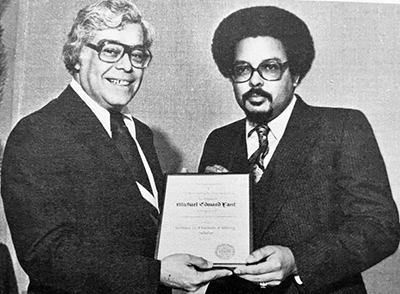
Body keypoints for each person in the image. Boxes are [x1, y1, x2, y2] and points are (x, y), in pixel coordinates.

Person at [0, 1, 231, 293]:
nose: (127, 66)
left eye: (137, 54)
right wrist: (155, 273)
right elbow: (45, 253)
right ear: (78, 56)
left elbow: (142, 221)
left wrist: (200, 199)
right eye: (110, 50)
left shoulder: (139, 133)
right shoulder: (38, 132)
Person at [198, 6, 400, 294]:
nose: (254, 81)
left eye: (270, 67)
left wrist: (297, 261)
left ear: (295, 75)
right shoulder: (220, 140)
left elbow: (380, 227)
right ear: (231, 77)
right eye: (242, 69)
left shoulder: (342, 127)